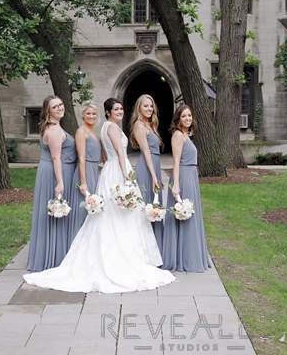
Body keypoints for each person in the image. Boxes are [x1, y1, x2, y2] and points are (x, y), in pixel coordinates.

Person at [23, 98, 175, 293]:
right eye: (116, 109)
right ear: (108, 112)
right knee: (121, 215)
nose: (120, 111)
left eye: (121, 108)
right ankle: (121, 257)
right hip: (119, 170)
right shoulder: (110, 128)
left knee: (115, 215)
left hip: (110, 170)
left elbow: (105, 154)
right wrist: (127, 180)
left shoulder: (103, 129)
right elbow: (120, 155)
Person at [26, 95, 77, 272]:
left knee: (53, 214)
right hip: (55, 173)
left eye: (61, 105)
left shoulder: (52, 126)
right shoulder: (54, 130)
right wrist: (60, 182)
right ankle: (54, 256)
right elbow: (56, 157)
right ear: (48, 111)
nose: (60, 108)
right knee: (57, 212)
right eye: (55, 107)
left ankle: (51, 253)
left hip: (49, 170)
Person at [162, 104, 210, 272]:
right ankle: (182, 257)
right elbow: (175, 161)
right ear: (178, 119)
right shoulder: (177, 135)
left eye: (189, 116)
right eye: (184, 116)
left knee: (189, 215)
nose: (188, 119)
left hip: (191, 175)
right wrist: (175, 185)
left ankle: (189, 254)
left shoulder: (186, 135)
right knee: (183, 215)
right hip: (183, 177)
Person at [130, 94, 164, 253]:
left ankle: (156, 248)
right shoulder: (139, 125)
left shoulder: (151, 125)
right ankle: (143, 250)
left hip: (154, 166)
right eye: (145, 106)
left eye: (151, 106)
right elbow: (146, 151)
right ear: (139, 108)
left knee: (155, 204)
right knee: (146, 205)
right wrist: (154, 176)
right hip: (146, 168)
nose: (149, 108)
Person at [69, 101, 102, 244]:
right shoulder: (81, 132)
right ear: (82, 115)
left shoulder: (93, 132)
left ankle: (89, 245)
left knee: (93, 209)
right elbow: (81, 158)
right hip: (85, 171)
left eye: (94, 113)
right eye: (88, 113)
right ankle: (77, 245)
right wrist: (83, 183)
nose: (91, 116)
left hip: (94, 171)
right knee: (84, 208)